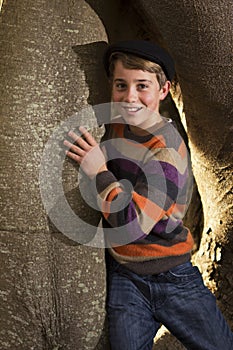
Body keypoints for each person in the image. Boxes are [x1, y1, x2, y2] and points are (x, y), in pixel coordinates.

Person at [64, 40, 233, 349]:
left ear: (164, 90)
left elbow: (133, 221)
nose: (130, 97)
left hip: (173, 277)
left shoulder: (167, 151)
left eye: (142, 86)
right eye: (121, 85)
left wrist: (99, 171)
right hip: (127, 279)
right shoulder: (117, 129)